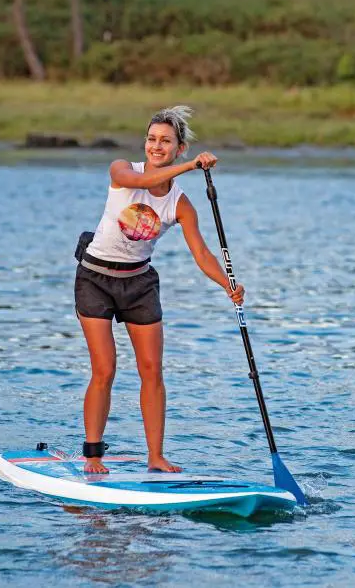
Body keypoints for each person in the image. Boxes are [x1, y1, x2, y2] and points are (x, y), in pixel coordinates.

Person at [74, 106, 244, 474]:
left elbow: (202, 254)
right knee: (105, 368)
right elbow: (140, 183)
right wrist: (191, 166)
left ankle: (156, 456)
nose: (156, 146)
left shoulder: (180, 204)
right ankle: (93, 455)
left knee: (152, 370)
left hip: (139, 283)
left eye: (165, 141)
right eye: (151, 139)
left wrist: (228, 285)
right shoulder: (122, 170)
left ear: (179, 148)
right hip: (95, 279)